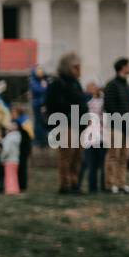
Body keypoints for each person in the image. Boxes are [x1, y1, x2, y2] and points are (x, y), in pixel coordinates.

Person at [45, 52, 87, 194]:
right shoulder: (57, 83)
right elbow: (51, 104)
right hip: (65, 124)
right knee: (66, 156)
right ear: (68, 67)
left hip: (79, 124)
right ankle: (65, 185)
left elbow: (82, 103)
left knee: (77, 157)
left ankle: (75, 183)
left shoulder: (76, 83)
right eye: (76, 67)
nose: (79, 70)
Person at [102, 57, 129, 194]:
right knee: (113, 156)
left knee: (124, 157)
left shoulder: (128, 86)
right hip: (115, 127)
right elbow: (109, 106)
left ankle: (121, 183)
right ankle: (111, 184)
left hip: (128, 128)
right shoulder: (111, 85)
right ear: (123, 67)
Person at [0, 118, 22, 194]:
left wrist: (2, 158)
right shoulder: (18, 136)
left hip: (9, 160)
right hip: (16, 160)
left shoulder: (9, 137)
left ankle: (10, 190)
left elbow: (6, 150)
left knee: (9, 176)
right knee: (14, 176)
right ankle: (15, 189)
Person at [29, 64, 49, 147]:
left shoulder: (44, 80)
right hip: (37, 104)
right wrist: (44, 87)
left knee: (44, 122)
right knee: (38, 122)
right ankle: (38, 140)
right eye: (38, 70)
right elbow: (39, 90)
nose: (41, 71)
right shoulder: (33, 80)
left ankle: (44, 139)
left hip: (44, 104)